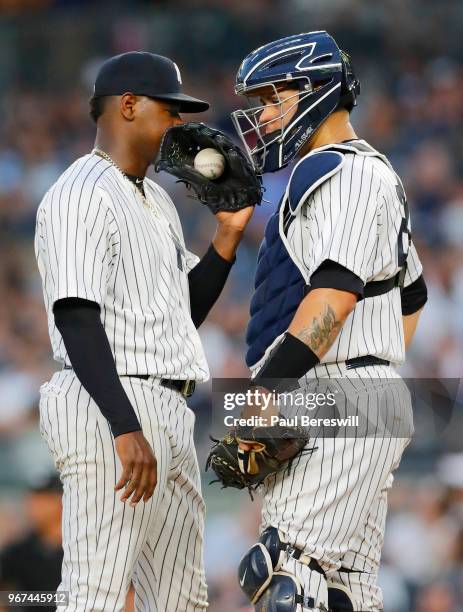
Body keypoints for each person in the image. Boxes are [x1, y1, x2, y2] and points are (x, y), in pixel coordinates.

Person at [34, 51, 254, 611]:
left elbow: (181, 312)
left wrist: (226, 239)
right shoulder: (80, 192)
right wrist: (124, 425)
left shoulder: (154, 197)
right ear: (128, 106)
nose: (177, 124)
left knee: (182, 600)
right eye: (169, 110)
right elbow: (76, 317)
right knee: (97, 593)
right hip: (110, 404)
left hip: (168, 404)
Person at [229, 31, 428, 611]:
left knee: (285, 575)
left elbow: (335, 297)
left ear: (312, 93)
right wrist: (377, 382)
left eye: (272, 99)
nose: (262, 116)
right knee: (342, 591)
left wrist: (269, 396)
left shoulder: (347, 173)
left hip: (335, 390)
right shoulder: (355, 175)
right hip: (343, 390)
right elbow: (409, 299)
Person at [0, 474, 63, 612]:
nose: (32, 505)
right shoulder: (18, 551)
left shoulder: (82, 547)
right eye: (32, 499)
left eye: (41, 499)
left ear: (61, 501)